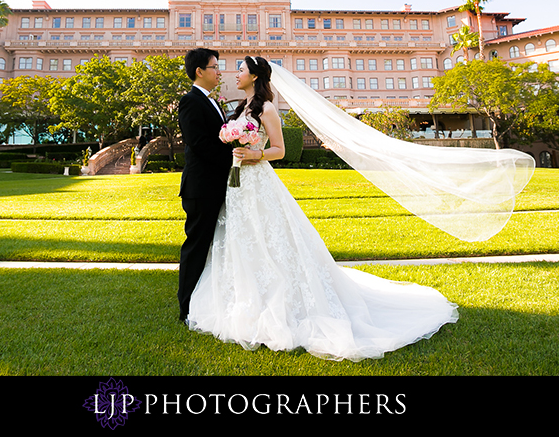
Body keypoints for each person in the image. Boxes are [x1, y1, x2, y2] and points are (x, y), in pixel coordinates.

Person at [187, 56, 463, 361]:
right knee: (242, 238)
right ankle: (240, 296)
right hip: (237, 186)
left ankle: (281, 301)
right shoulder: (240, 109)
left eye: (240, 70)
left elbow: (280, 149)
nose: (233, 74)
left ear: (254, 76)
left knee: (270, 238)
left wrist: (256, 154)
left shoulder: (266, 108)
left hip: (258, 181)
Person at [176, 48, 233, 323]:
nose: (218, 71)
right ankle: (186, 308)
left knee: (215, 247)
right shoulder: (190, 101)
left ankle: (206, 302)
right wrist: (234, 156)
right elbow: (198, 143)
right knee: (196, 247)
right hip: (201, 188)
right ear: (200, 71)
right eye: (214, 66)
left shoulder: (214, 102)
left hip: (216, 185)